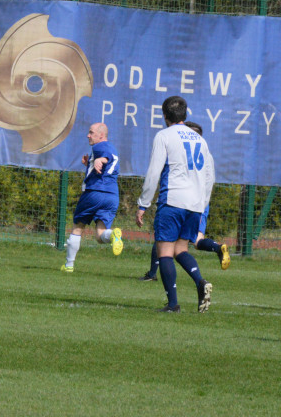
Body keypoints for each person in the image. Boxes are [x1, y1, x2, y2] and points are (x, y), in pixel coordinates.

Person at [137, 97, 216, 312]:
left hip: (173, 200)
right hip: (196, 204)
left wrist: (143, 203)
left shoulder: (164, 136)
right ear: (185, 114)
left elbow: (154, 172)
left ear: (164, 116)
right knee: (180, 249)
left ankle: (173, 303)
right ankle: (200, 281)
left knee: (164, 251)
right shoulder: (200, 140)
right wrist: (203, 203)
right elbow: (209, 175)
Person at [139, 121, 230, 280]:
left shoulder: (176, 145)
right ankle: (216, 248)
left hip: (178, 200)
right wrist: (203, 203)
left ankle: (155, 276)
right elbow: (210, 179)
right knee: (193, 241)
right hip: (199, 203)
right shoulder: (206, 151)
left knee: (166, 240)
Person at [61, 122, 123, 273]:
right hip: (112, 196)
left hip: (94, 193)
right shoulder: (112, 148)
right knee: (100, 236)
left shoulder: (100, 147)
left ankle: (69, 265)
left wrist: (98, 160)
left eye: (91, 132)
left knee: (78, 227)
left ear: (101, 135)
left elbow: (105, 157)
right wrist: (88, 164)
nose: (88, 135)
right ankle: (114, 235)